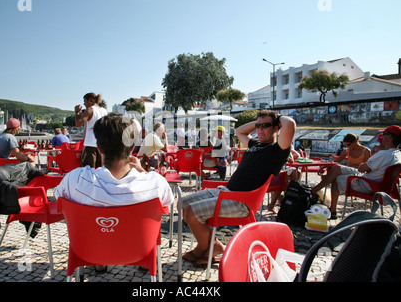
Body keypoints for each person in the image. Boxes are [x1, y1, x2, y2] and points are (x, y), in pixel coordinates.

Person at [54, 112, 174, 272]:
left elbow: (58, 198)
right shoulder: (155, 183)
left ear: (98, 147)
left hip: (88, 252)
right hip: (139, 252)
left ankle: (100, 261)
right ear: (132, 148)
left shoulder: (75, 180)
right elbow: (168, 204)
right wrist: (142, 171)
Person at [181, 110, 296, 266]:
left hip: (241, 201)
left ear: (276, 128)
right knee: (183, 203)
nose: (260, 130)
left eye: (266, 126)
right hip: (226, 191)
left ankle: (204, 247)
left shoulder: (278, 150)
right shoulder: (255, 143)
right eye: (258, 126)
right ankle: (213, 245)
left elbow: (289, 124)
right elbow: (239, 131)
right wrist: (259, 124)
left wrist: (277, 118)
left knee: (191, 211)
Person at [311, 125, 401, 219]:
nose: (382, 137)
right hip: (376, 182)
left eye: (384, 134)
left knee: (336, 180)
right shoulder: (397, 154)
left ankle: (331, 209)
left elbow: (362, 168)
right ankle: (315, 190)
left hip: (368, 183)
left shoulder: (383, 154)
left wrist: (373, 156)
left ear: (389, 137)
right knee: (337, 168)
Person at [74, 92, 108, 168]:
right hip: (102, 144)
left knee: (87, 171)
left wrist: (77, 112)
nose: (84, 104)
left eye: (85, 101)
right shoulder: (104, 111)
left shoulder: (90, 110)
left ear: (90, 100)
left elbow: (78, 124)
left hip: (90, 144)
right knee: (100, 171)